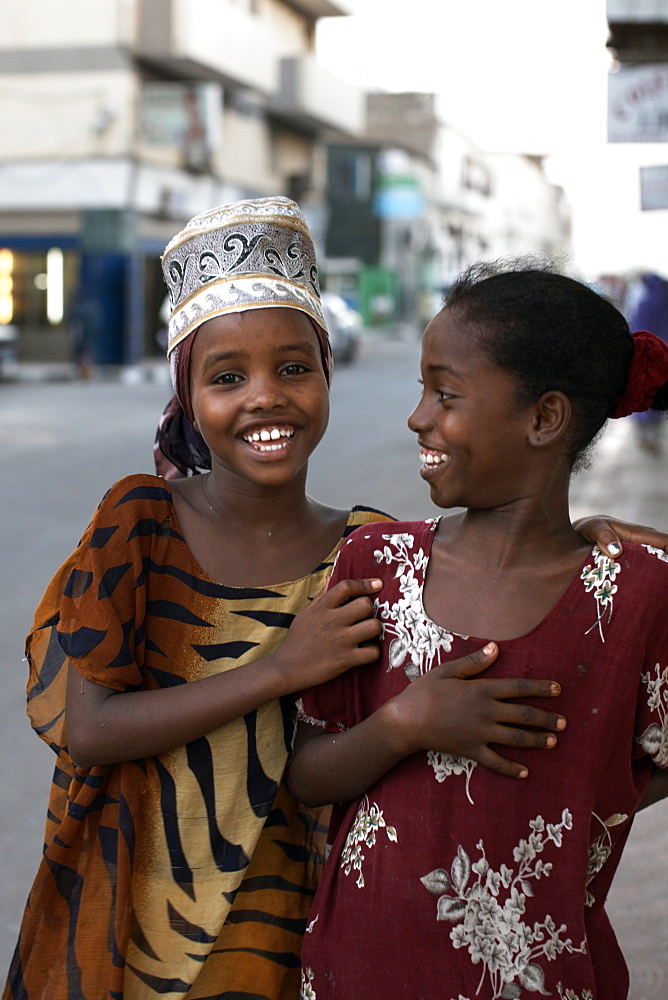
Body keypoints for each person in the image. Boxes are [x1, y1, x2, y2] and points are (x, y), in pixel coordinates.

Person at [3, 201, 663, 1000]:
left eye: (294, 368)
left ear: (325, 373)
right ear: (186, 393)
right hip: (130, 926)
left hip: (289, 927)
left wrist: (575, 534)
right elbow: (90, 727)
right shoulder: (144, 527)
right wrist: (282, 670)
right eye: (225, 377)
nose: (265, 398)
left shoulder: (369, 549)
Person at [288, 261, 668, 1000]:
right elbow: (306, 772)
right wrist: (404, 724)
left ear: (543, 418)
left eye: (446, 393)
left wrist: (589, 790)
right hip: (355, 973)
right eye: (422, 389)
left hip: (545, 980)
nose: (417, 416)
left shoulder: (636, 597)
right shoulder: (376, 564)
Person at [626, 271, 668, 455]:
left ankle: (645, 437)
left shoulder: (644, 304)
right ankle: (653, 438)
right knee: (659, 398)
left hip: (645, 358)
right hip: (664, 358)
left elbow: (635, 331)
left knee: (642, 396)